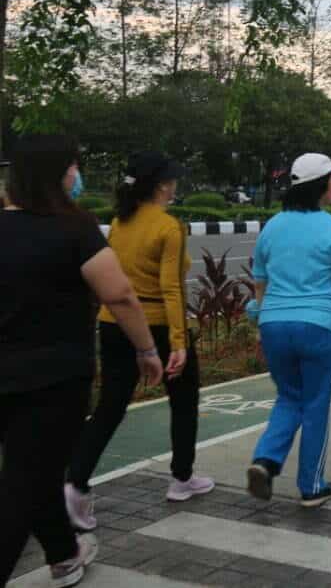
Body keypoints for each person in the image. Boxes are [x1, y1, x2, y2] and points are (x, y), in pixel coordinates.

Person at [1, 136, 163, 587]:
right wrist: (147, 350)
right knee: (21, 485)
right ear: (57, 175)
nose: (78, 177)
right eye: (74, 168)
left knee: (35, 471)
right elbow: (120, 294)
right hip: (54, 378)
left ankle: (64, 556)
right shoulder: (73, 228)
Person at [67, 153, 214, 529]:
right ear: (163, 185)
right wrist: (179, 342)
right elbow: (171, 288)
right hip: (158, 325)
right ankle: (181, 478)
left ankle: (75, 484)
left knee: (110, 407)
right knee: (183, 400)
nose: (176, 185)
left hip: (113, 322)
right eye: (173, 180)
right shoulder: (169, 227)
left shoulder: (120, 221)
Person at [245, 153, 331, 507]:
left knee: (289, 396)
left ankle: (266, 461)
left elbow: (260, 287)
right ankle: (312, 485)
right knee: (315, 404)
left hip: (274, 326)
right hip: (318, 327)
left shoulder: (272, 226)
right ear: (321, 186)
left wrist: (260, 333)